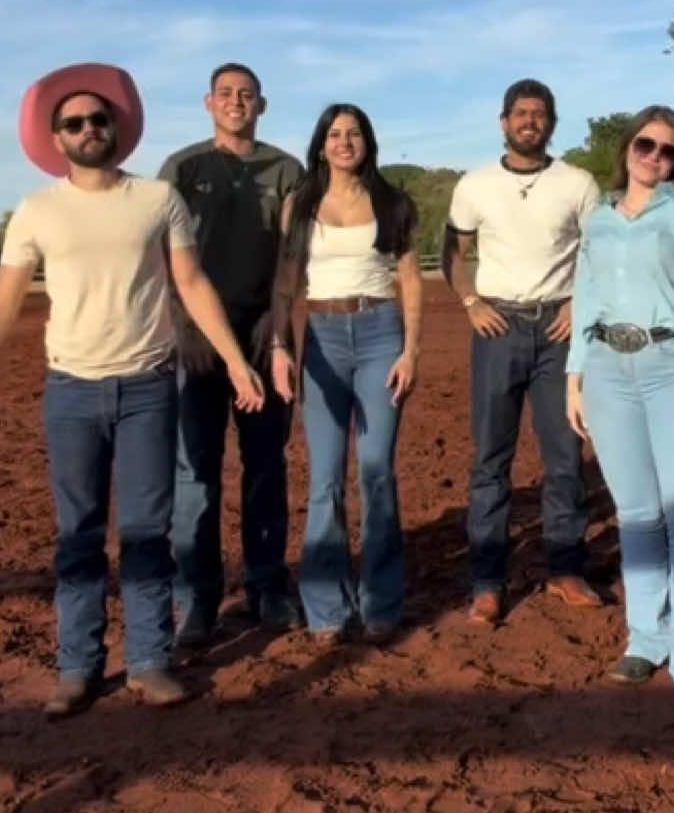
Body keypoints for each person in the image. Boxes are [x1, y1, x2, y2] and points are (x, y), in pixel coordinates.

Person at [0, 63, 264, 718]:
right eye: (74, 123)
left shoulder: (156, 200)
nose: (89, 129)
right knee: (78, 532)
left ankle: (149, 659)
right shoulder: (36, 210)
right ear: (55, 138)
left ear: (117, 128)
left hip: (148, 385)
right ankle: (78, 667)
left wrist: (234, 358)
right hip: (71, 390)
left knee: (147, 529)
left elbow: (192, 283)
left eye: (99, 119)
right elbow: (6, 302)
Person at [566, 106, 674, 713]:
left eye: (668, 151)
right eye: (646, 145)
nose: (655, 157)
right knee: (636, 513)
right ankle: (646, 636)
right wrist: (574, 376)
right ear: (627, 148)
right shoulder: (600, 220)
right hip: (608, 369)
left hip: (673, 367)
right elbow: (586, 298)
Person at [443, 79, 602, 624]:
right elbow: (453, 251)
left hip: (560, 331)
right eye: (520, 113)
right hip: (497, 328)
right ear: (503, 120)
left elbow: (598, 250)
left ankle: (565, 568)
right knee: (491, 459)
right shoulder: (475, 185)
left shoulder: (578, 183)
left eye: (539, 114)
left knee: (565, 457)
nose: (529, 121)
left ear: (551, 122)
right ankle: (487, 581)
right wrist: (469, 301)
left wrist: (581, 302)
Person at [159, 63, 304, 645]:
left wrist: (276, 338)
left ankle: (267, 585)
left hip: (262, 331)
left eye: (246, 95)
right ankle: (197, 596)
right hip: (195, 339)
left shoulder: (286, 170)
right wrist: (179, 329)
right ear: (208, 102)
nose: (236, 102)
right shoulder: (182, 168)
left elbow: (290, 264)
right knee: (195, 470)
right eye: (226, 94)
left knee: (266, 465)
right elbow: (166, 258)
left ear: (261, 105)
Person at [271, 104, 422, 641]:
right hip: (323, 338)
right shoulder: (301, 203)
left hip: (381, 331)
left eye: (354, 132)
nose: (344, 141)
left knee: (377, 468)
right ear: (320, 145)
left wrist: (411, 351)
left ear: (367, 141)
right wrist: (278, 345)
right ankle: (327, 607)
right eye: (334, 134)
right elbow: (286, 283)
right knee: (326, 476)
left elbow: (410, 278)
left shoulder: (391, 201)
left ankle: (381, 602)